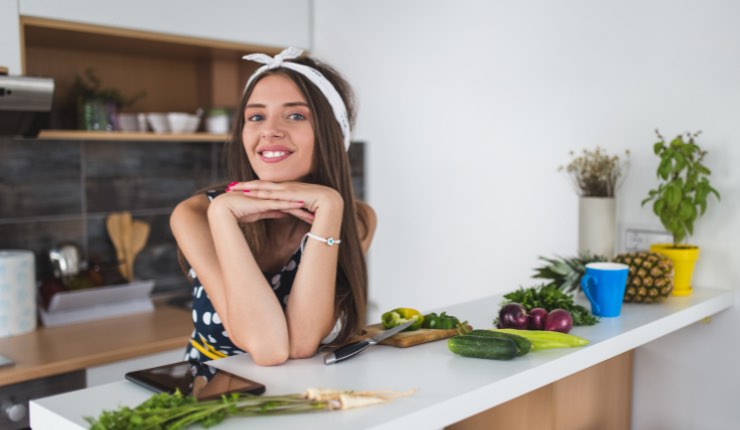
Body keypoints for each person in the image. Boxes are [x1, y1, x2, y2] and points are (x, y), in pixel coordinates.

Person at [170, 47, 376, 366]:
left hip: (302, 397)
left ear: (332, 134)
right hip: (209, 397)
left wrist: (330, 206)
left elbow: (301, 343)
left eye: (295, 115)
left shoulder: (356, 218)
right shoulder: (196, 214)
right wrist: (223, 216)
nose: (270, 130)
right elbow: (268, 348)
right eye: (256, 116)